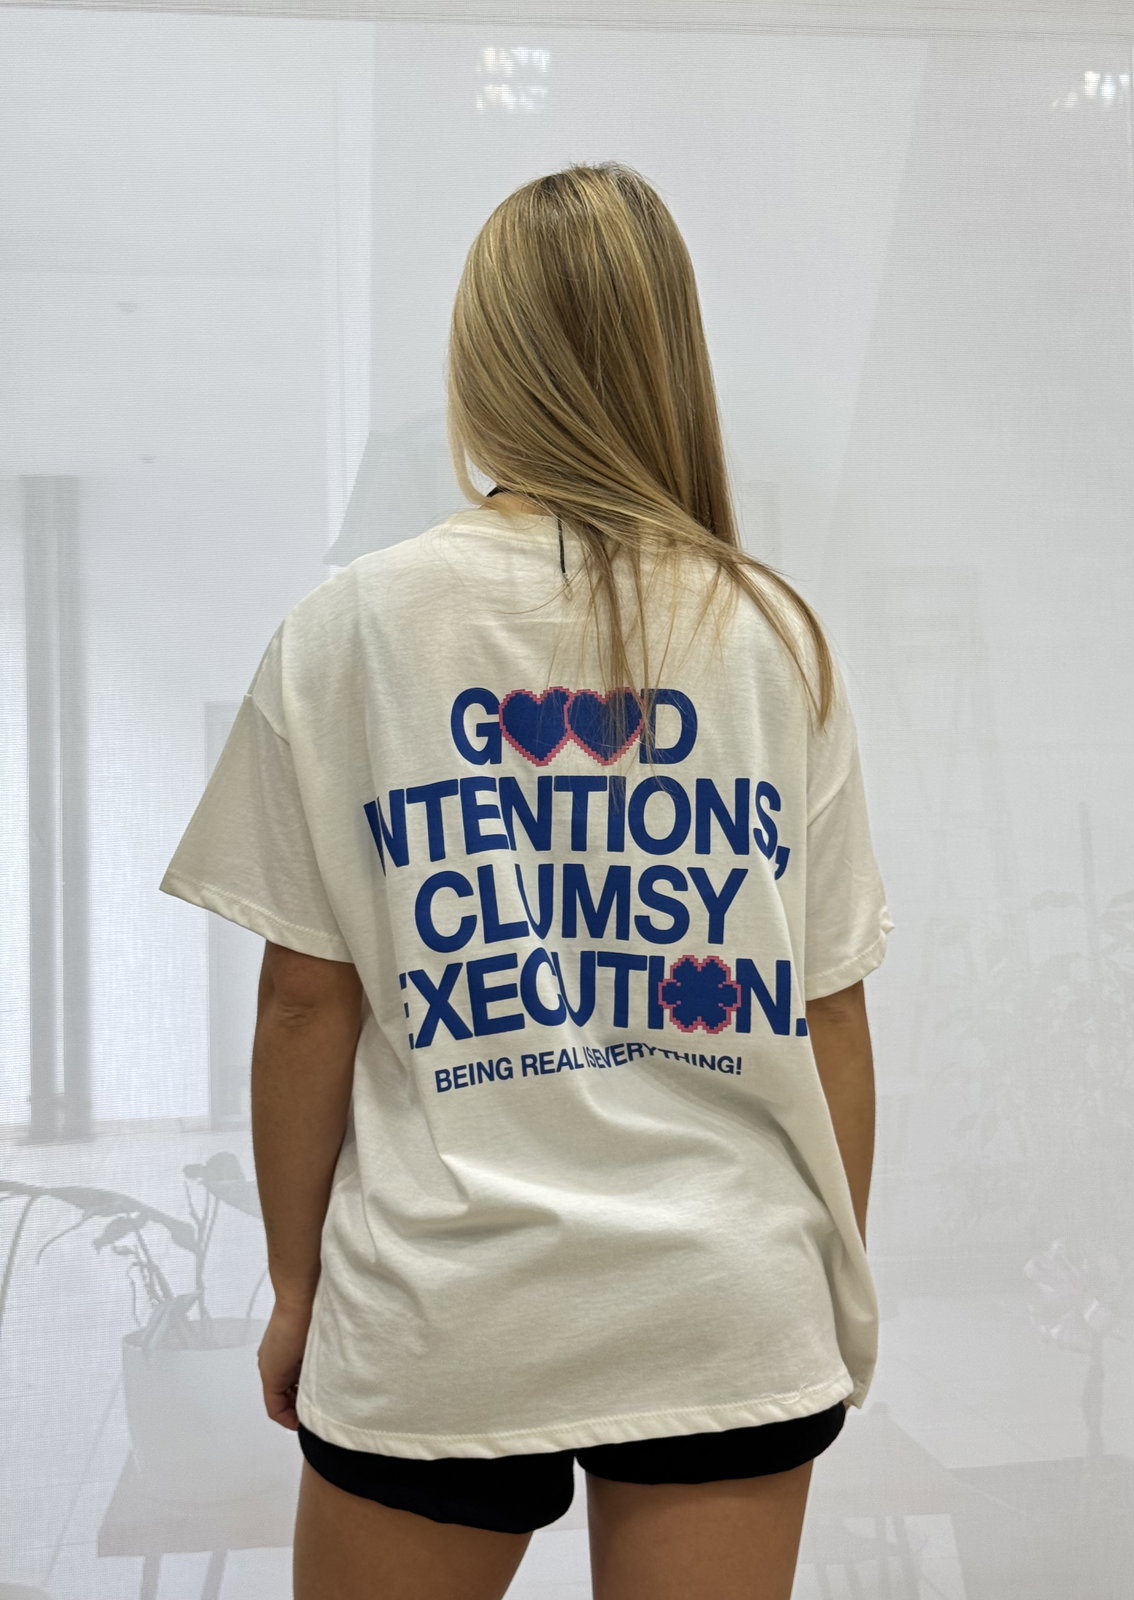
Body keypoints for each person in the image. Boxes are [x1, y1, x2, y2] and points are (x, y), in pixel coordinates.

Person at [160, 160, 894, 1600]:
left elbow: (304, 1005)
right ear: (672, 360)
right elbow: (832, 1012)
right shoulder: (773, 636)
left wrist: (298, 1289)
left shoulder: (350, 629)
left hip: (445, 1300)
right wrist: (827, 1284)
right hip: (722, 1295)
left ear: (480, 365)